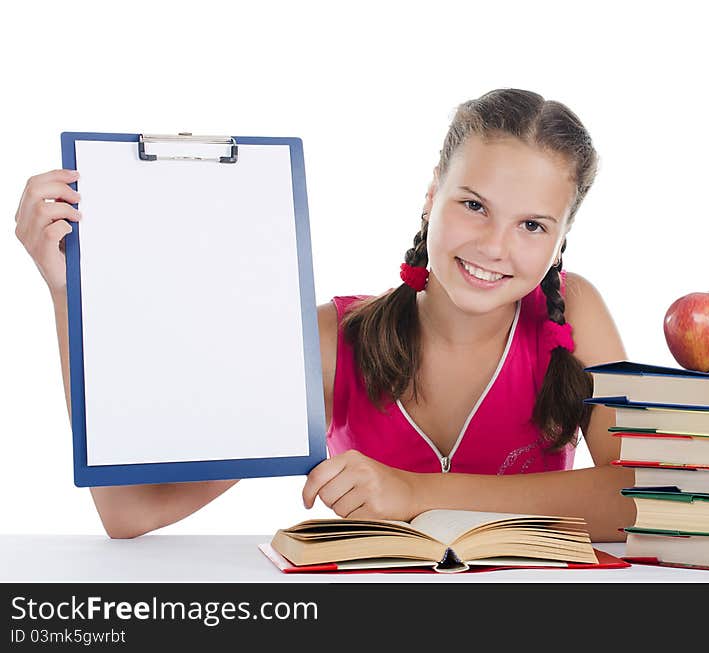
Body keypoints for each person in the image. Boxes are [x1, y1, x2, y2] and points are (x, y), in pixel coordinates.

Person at [15, 88, 635, 541]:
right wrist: (72, 299)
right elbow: (130, 510)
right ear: (431, 197)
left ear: (560, 240)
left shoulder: (572, 313)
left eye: (531, 225)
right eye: (474, 205)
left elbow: (637, 496)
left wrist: (416, 493)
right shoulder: (334, 339)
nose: (495, 245)